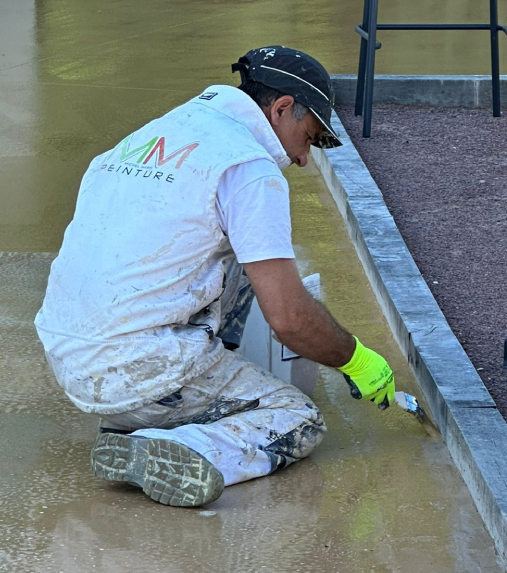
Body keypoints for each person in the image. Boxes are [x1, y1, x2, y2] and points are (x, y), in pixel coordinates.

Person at [34, 46, 396, 508]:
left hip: (70, 358)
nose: (306, 158)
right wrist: (356, 359)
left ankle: (141, 423)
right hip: (142, 369)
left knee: (250, 262)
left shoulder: (155, 135)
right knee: (297, 418)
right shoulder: (247, 167)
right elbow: (288, 317)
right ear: (282, 108)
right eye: (311, 137)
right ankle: (187, 445)